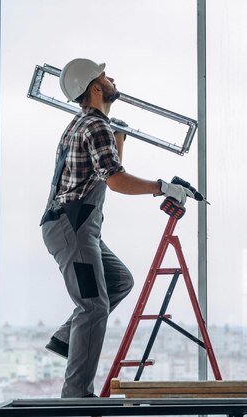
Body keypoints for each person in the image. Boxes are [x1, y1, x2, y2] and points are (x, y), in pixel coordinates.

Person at [40, 58, 192, 398]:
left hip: (78, 227)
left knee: (119, 280)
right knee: (92, 307)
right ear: (96, 88)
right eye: (105, 75)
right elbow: (117, 181)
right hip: (73, 227)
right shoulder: (94, 127)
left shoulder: (85, 124)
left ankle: (67, 338)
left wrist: (118, 137)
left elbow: (108, 173)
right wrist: (162, 186)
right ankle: (76, 397)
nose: (111, 78)